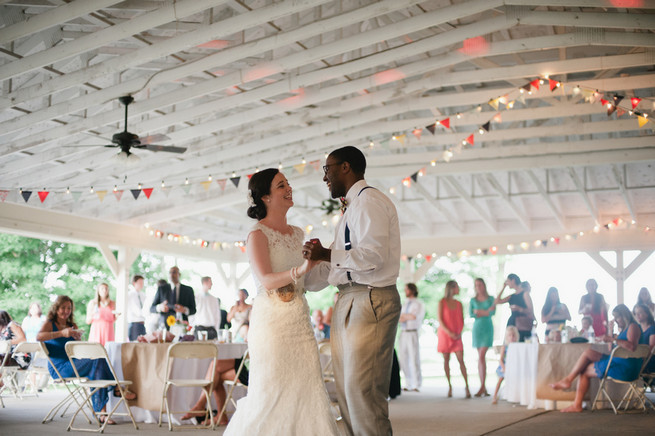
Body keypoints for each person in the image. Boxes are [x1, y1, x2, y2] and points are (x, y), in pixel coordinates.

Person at [223, 168, 338, 435]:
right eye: (281, 185)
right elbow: (266, 279)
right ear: (265, 197)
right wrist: (302, 268)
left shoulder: (298, 234)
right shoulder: (257, 234)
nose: (289, 189)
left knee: (307, 387)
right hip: (271, 324)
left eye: (288, 184)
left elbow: (306, 283)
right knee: (273, 388)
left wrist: (324, 261)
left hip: (299, 319)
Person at [303, 146, 401, 436]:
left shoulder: (369, 200)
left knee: (363, 392)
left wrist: (326, 254)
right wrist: (301, 276)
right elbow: (338, 265)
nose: (325, 178)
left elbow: (372, 257)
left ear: (346, 167)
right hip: (348, 297)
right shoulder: (350, 208)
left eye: (327, 169)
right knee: (345, 393)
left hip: (370, 297)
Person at [37, 296, 135, 424]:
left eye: (69, 308)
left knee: (98, 365)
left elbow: (76, 349)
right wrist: (61, 333)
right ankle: (117, 389)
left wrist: (78, 339)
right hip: (59, 368)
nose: (66, 311)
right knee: (97, 362)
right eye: (63, 308)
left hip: (73, 364)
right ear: (56, 308)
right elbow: (39, 337)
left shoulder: (72, 326)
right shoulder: (50, 323)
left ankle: (102, 414)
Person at [551, 304, 643, 413]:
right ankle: (568, 380)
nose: (616, 321)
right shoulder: (624, 330)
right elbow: (611, 349)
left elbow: (632, 347)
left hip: (626, 368)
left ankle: (576, 402)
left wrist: (612, 338)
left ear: (624, 316)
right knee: (588, 353)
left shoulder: (633, 326)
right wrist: (610, 331)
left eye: (617, 317)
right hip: (619, 362)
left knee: (584, 371)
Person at [180, 358, 250, 426]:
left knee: (216, 375)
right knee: (214, 364)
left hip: (251, 368)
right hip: (245, 360)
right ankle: (202, 406)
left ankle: (202, 407)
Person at [437, 280, 470, 399]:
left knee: (461, 360)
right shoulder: (442, 302)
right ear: (451, 288)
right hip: (445, 335)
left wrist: (458, 332)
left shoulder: (459, 303)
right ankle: (450, 386)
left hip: (457, 335)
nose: (459, 289)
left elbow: (462, 320)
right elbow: (440, 320)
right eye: (457, 287)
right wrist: (449, 333)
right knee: (446, 360)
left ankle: (467, 386)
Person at [470, 278, 495, 397]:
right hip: (477, 329)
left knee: (481, 356)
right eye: (476, 285)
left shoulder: (491, 299)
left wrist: (479, 312)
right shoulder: (472, 300)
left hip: (487, 328)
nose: (478, 287)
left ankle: (482, 386)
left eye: (480, 284)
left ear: (484, 285)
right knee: (480, 358)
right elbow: (471, 314)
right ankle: (483, 386)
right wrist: (485, 311)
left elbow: (492, 312)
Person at [398, 283, 425, 392]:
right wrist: (406, 316)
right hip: (404, 331)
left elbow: (414, 317)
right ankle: (408, 382)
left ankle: (416, 383)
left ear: (412, 290)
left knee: (414, 357)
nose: (405, 292)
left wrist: (405, 316)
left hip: (413, 332)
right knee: (403, 358)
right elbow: (400, 317)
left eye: (407, 289)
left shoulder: (418, 303)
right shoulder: (405, 303)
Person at [496, 274, 535, 342]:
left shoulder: (525, 294)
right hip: (512, 322)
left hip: (523, 324)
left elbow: (530, 310)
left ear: (513, 280)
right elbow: (497, 301)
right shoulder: (512, 296)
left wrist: (519, 309)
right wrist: (503, 287)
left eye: (507, 281)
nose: (507, 283)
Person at [492, 326, 519, 404]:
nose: (512, 337)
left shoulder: (517, 346)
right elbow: (500, 359)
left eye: (513, 335)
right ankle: (494, 396)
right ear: (506, 337)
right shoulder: (505, 347)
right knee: (500, 380)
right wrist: (504, 368)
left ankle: (514, 396)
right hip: (504, 366)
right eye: (510, 335)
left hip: (513, 367)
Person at [634, 303, 655, 373]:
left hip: (648, 360)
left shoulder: (652, 328)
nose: (637, 315)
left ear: (647, 314)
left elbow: (651, 349)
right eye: (635, 313)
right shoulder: (637, 328)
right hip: (639, 357)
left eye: (639, 313)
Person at [126, 275, 146, 341]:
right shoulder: (129, 295)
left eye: (142, 283)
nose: (142, 285)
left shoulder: (143, 295)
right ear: (134, 283)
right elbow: (136, 310)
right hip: (134, 324)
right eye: (140, 283)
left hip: (142, 324)